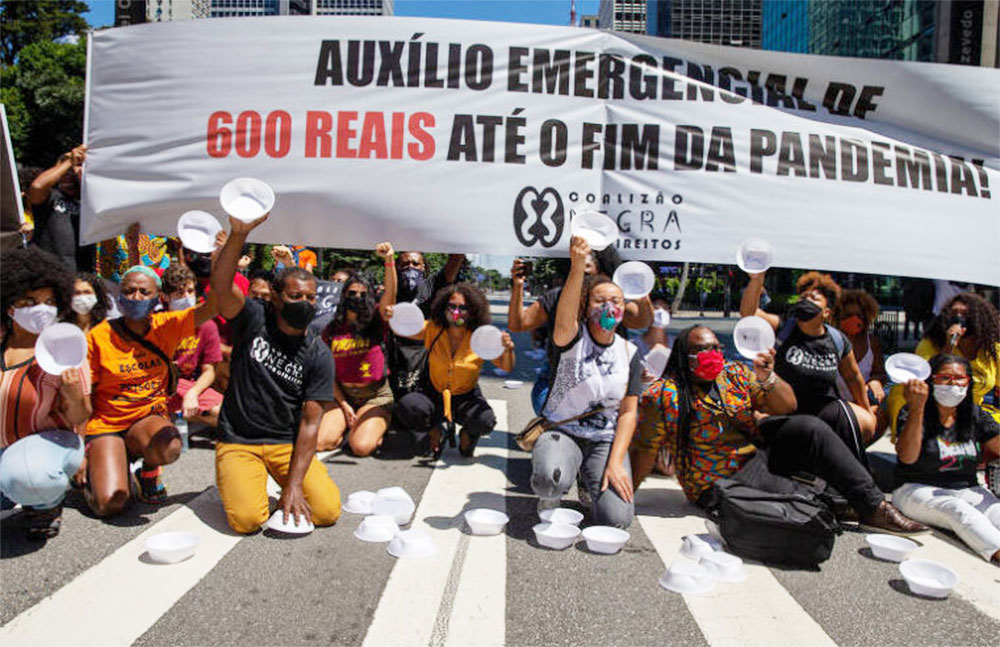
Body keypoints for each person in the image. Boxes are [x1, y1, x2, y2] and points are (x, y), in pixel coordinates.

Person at [631, 324, 929, 535]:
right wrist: (625, 493)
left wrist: (768, 377)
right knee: (803, 500)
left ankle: (874, 506)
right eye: (700, 350)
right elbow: (646, 449)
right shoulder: (663, 394)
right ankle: (847, 502)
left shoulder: (734, 373)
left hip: (757, 452)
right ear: (683, 356)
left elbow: (785, 406)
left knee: (809, 428)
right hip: (717, 477)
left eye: (714, 348)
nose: (711, 354)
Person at [211, 213, 341, 534]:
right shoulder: (253, 319)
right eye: (296, 296)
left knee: (326, 511)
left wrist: (293, 486)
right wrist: (238, 234)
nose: (305, 302)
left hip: (286, 444)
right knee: (248, 521)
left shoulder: (319, 352)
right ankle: (242, 480)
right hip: (239, 441)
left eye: (311, 297)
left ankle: (280, 483)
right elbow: (221, 285)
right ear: (276, 299)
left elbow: (311, 423)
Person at [84, 261, 225, 517]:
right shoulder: (97, 336)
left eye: (144, 292)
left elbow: (214, 306)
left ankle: (147, 470)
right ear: (119, 295)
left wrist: (219, 256)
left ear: (157, 298)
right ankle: (97, 467)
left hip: (146, 419)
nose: (136, 297)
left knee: (170, 445)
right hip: (108, 424)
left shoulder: (167, 325)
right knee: (111, 504)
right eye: (128, 291)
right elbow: (85, 397)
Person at [529, 237, 641, 528]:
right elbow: (565, 319)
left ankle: (591, 480)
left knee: (616, 520)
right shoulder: (571, 338)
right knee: (547, 479)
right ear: (585, 305)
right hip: (563, 430)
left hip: (603, 439)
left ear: (623, 308)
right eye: (600, 300)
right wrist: (577, 267)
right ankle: (555, 489)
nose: (608, 306)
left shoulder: (629, 353)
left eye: (615, 301)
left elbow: (628, 413)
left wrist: (615, 462)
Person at [740, 270, 878, 465]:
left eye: (814, 298)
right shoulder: (783, 328)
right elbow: (748, 314)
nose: (806, 300)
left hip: (820, 408)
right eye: (803, 297)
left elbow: (853, 377)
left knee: (864, 422)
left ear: (827, 312)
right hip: (783, 407)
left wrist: (867, 411)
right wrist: (757, 280)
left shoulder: (837, 340)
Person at [0, 247, 91, 539]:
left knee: (28, 476)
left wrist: (73, 392)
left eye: (50, 301)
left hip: (46, 446)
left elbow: (80, 414)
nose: (41, 308)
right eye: (30, 301)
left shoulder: (63, 349)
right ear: (9, 305)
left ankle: (45, 503)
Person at [509, 254, 653, 415]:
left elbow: (641, 321)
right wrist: (518, 285)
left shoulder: (611, 300)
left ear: (600, 273)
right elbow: (518, 324)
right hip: (559, 384)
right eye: (575, 270)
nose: (580, 277)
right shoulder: (557, 297)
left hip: (608, 383)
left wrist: (641, 291)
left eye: (585, 272)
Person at [892, 354, 1000, 563]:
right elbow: (907, 456)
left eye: (960, 379)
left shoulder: (974, 414)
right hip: (915, 489)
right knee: (960, 511)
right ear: (931, 381)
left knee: (996, 510)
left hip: (968, 488)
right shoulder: (914, 411)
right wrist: (917, 408)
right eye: (945, 378)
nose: (953, 384)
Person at [394, 282, 514, 458]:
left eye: (463, 307)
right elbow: (401, 327)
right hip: (432, 392)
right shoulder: (432, 329)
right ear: (443, 307)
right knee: (409, 406)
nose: (456, 311)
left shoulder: (481, 336)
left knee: (485, 421)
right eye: (452, 306)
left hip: (465, 396)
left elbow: (506, 367)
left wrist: (508, 349)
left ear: (473, 311)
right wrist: (393, 313)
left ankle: (468, 435)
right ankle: (435, 430)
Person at [316, 243, 397, 455]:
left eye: (363, 294)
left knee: (361, 447)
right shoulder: (331, 329)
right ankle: (348, 425)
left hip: (375, 395)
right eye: (352, 293)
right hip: (342, 394)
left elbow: (391, 294)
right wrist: (344, 406)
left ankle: (376, 425)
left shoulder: (378, 320)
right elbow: (328, 373)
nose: (357, 298)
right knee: (321, 443)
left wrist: (389, 260)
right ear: (344, 296)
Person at [906, 292, 1000, 426]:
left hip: (975, 412)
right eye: (954, 312)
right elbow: (926, 380)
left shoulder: (991, 350)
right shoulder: (930, 344)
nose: (959, 317)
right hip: (935, 411)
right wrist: (949, 347)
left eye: (965, 313)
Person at [386, 252, 465, 399]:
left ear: (423, 267)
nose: (410, 268)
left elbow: (455, 260)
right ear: (396, 267)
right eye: (404, 264)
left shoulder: (431, 285)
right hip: (396, 353)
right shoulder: (391, 288)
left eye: (415, 264)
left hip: (423, 353)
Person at [161, 264, 223, 428]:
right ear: (166, 297)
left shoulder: (207, 326)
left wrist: (192, 393)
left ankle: (187, 417)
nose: (187, 297)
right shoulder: (156, 324)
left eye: (190, 291)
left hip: (189, 385)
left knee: (224, 414)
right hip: (159, 387)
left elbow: (209, 370)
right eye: (180, 293)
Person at [27, 144, 91, 271]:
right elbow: (37, 187)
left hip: (81, 276)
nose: (70, 173)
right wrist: (69, 161)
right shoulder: (50, 198)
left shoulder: (92, 202)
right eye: (65, 170)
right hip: (49, 273)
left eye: (77, 167)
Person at [834, 289, 887, 405]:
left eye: (858, 315)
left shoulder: (872, 342)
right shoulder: (829, 341)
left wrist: (875, 381)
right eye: (848, 315)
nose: (854, 320)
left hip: (864, 404)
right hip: (835, 405)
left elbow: (880, 373)